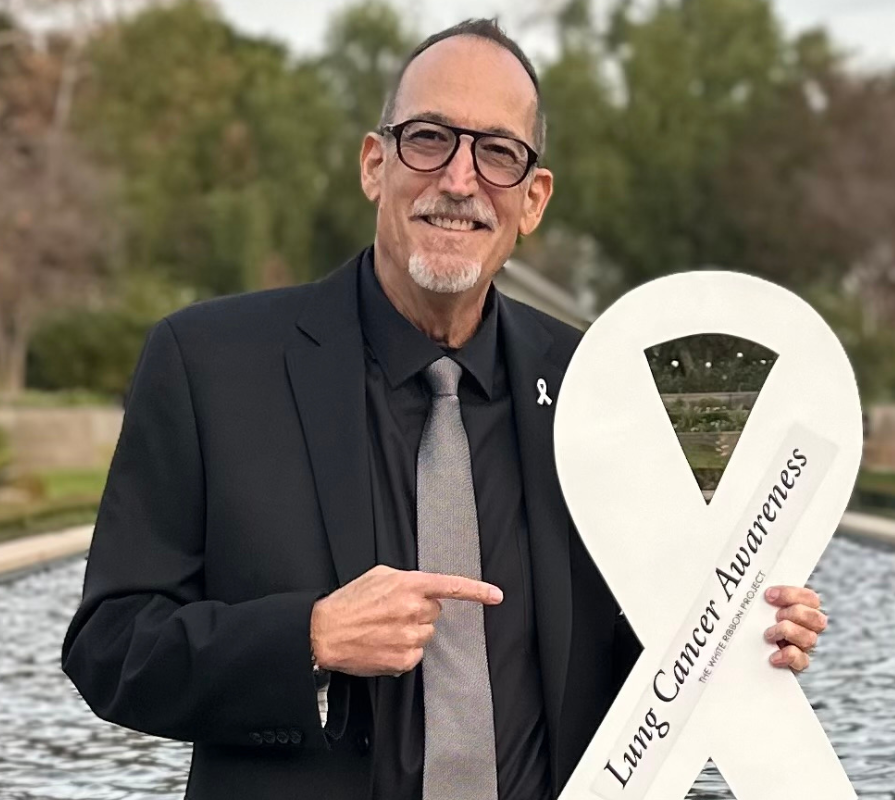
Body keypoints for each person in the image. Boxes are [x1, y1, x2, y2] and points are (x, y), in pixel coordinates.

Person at [62, 19, 828, 800]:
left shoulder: (603, 390)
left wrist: (747, 636)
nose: (459, 180)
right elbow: (110, 649)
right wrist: (309, 638)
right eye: (429, 138)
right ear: (374, 164)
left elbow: (651, 653)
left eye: (497, 153)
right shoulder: (209, 366)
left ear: (533, 199)